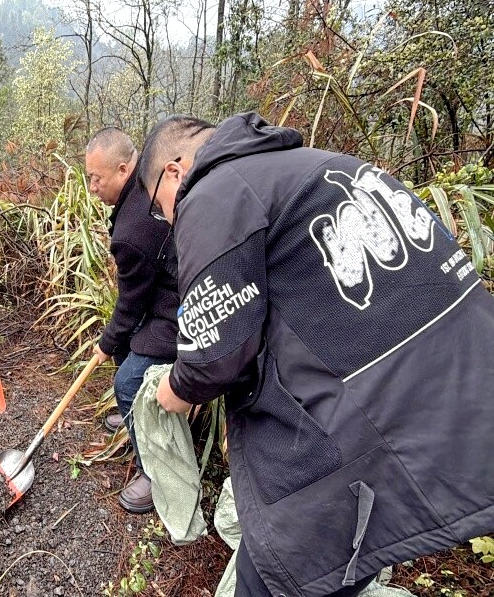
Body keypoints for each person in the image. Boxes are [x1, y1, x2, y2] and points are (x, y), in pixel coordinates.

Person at [139, 113, 494, 597]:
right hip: (464, 394)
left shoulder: (215, 191)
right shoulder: (325, 166)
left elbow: (214, 354)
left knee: (282, 576)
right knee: (348, 560)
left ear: (175, 171)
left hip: (374, 419)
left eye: (159, 207)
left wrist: (175, 390)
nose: (168, 219)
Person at [85, 127, 179, 513]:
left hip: (179, 310)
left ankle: (153, 473)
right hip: (164, 292)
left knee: (126, 382)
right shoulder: (144, 183)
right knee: (126, 346)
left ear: (123, 170)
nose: (92, 188)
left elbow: (130, 306)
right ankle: (135, 418)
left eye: (96, 179)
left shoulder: (133, 230)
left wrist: (105, 344)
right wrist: (116, 341)